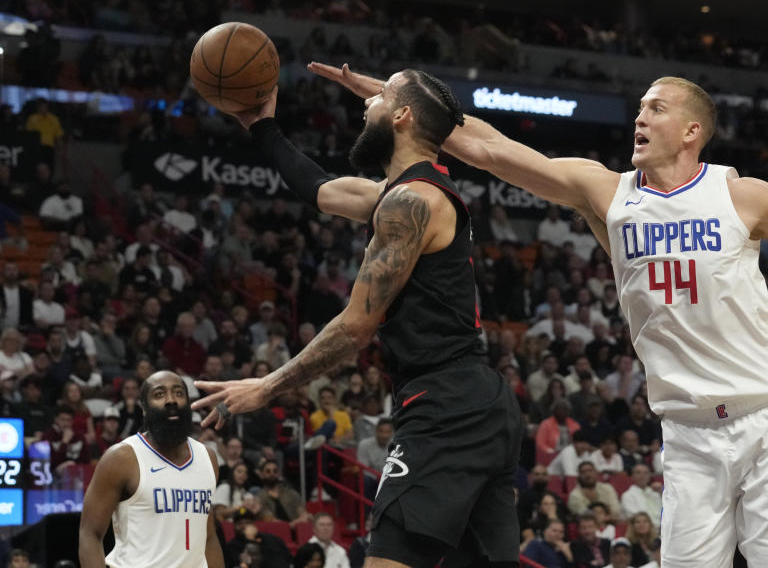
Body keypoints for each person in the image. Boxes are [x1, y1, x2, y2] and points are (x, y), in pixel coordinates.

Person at [420, 71, 768, 566]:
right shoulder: (607, 193)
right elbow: (490, 149)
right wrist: (402, 99)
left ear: (691, 130)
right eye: (638, 108)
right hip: (687, 431)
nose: (639, 118)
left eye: (655, 108)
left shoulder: (739, 195)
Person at [193, 69, 525, 568]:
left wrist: (266, 387)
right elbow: (320, 188)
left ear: (402, 115)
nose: (365, 104)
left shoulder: (412, 203)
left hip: (445, 405)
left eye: (380, 94)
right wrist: (263, 127)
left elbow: (355, 326)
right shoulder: (404, 193)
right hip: (478, 403)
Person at [77, 371, 224, 568]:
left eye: (179, 393)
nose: (171, 400)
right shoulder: (122, 458)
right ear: (145, 409)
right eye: (159, 394)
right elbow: (89, 535)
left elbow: (209, 538)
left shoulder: (208, 458)